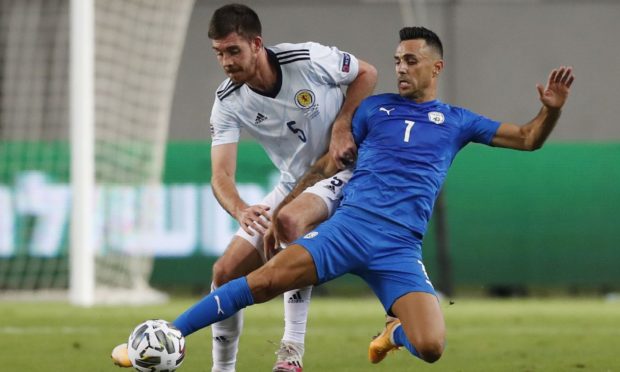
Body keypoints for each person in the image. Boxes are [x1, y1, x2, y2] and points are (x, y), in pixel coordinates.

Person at [115, 25, 574, 368]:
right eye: (397, 60)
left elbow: (529, 138)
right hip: (348, 229)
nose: (400, 68)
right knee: (262, 282)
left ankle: (394, 333)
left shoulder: (458, 120)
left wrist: (548, 112)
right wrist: (288, 205)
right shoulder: (376, 108)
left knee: (431, 347)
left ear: (436, 67)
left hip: (399, 249)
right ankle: (170, 332)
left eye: (411, 61)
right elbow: (328, 164)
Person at [111, 3, 376, 372]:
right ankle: (223, 369)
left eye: (233, 50)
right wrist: (241, 209)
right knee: (224, 273)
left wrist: (343, 125)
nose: (226, 62)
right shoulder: (228, 101)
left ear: (256, 44)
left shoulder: (307, 59)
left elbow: (367, 72)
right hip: (295, 184)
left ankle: (291, 353)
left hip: (346, 172)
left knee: (288, 224)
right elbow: (221, 176)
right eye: (219, 53)